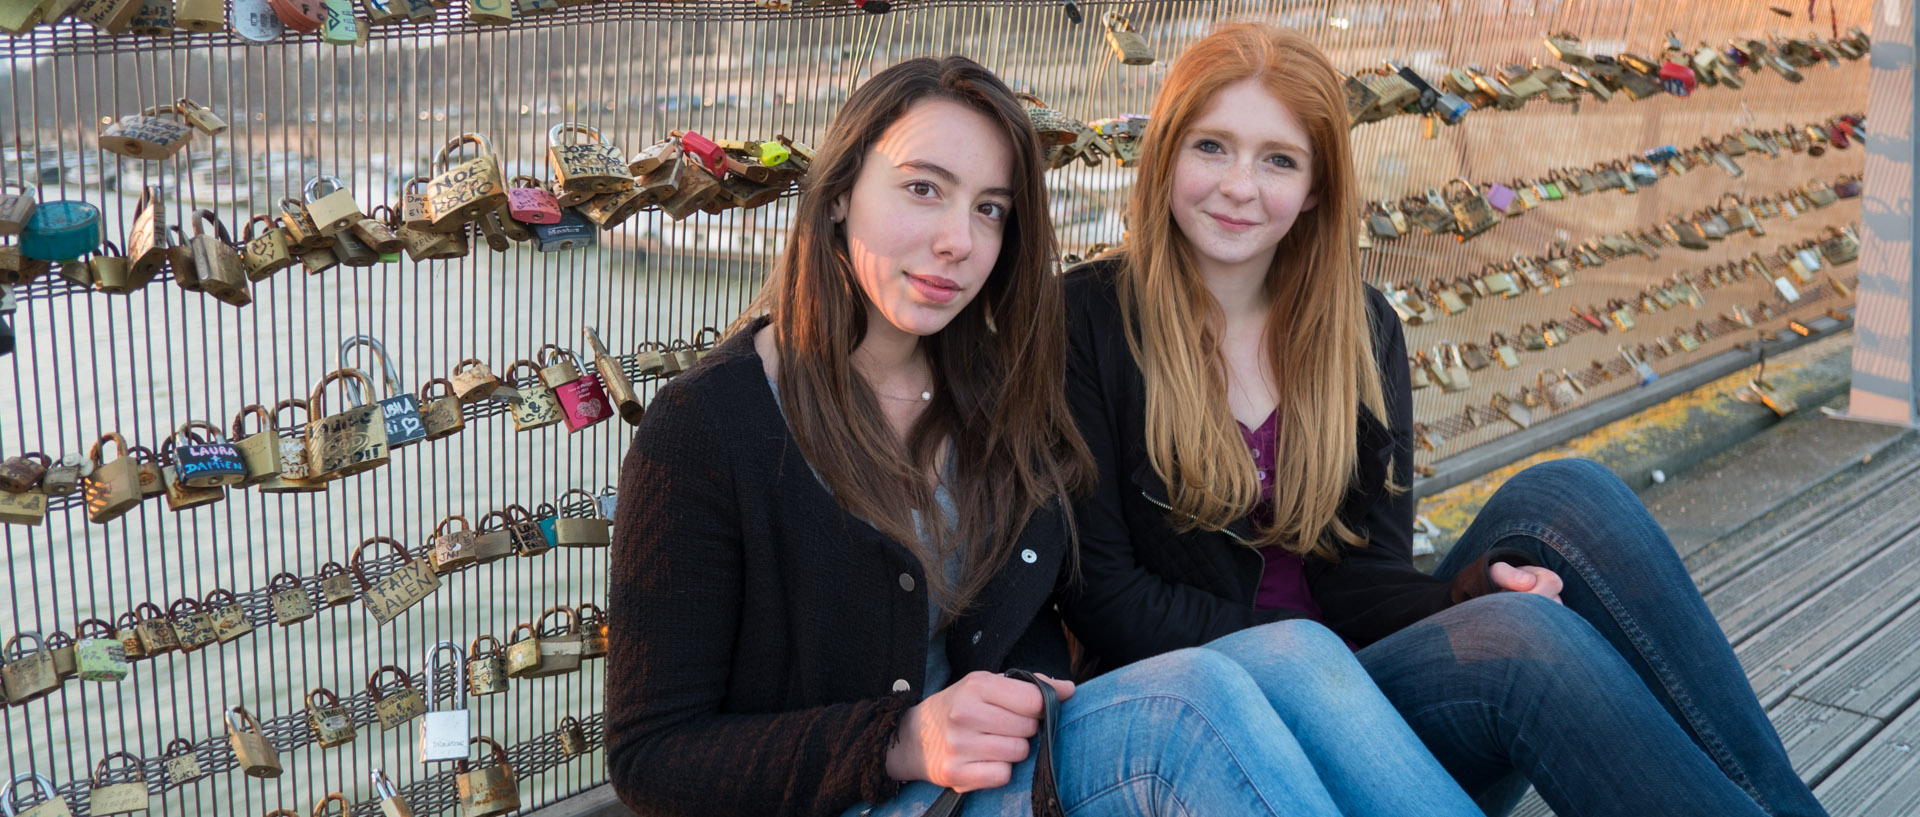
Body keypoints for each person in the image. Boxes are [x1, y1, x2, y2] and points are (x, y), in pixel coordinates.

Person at [604, 54, 1484, 817]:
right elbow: (650, 756)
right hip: (869, 790)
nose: (958, 240)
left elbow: (1028, 617)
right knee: (1196, 701)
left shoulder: (995, 395)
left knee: (1286, 650)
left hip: (1026, 768)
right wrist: (899, 738)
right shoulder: (710, 426)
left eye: (990, 210)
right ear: (837, 194)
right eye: (923, 188)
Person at [1059, 22, 1832, 817]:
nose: (1239, 185)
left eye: (1278, 159)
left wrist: (1466, 592)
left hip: (1376, 697)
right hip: (1229, 726)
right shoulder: (1084, 320)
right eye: (1211, 147)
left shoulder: (1358, 327)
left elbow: (1363, 573)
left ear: (1318, 185)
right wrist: (1307, 645)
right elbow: (1107, 598)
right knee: (1524, 645)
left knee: (1569, 496)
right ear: (1164, 154)